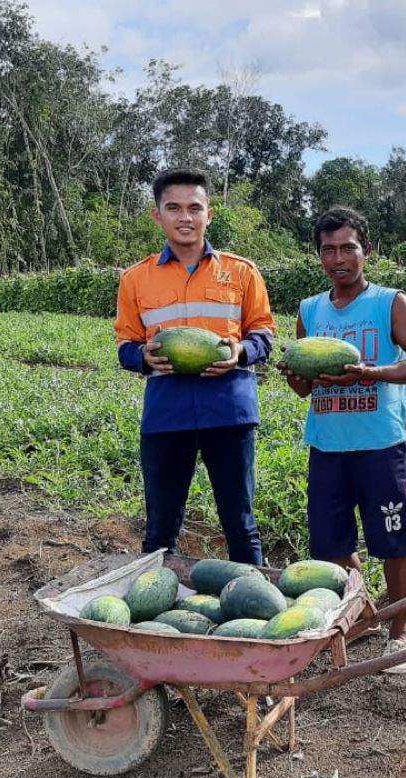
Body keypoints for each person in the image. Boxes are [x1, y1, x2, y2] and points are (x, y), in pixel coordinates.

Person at [279, 206, 406, 672]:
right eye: (329, 250)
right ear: (319, 256)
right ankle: (365, 613)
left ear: (367, 250)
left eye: (348, 247)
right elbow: (304, 387)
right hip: (327, 445)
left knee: (394, 539)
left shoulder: (390, 302)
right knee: (330, 546)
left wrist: (371, 373)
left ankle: (399, 631)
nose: (338, 258)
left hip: (382, 445)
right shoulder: (309, 310)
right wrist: (294, 374)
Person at [114, 167, 275, 566]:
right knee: (160, 527)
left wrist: (239, 353)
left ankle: (251, 614)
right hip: (167, 414)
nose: (185, 217)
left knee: (240, 523)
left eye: (194, 208)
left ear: (209, 214)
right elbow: (125, 344)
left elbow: (265, 334)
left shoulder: (241, 271)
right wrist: (141, 357)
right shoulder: (136, 278)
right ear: (158, 216)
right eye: (173, 208)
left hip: (229, 411)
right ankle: (153, 617)